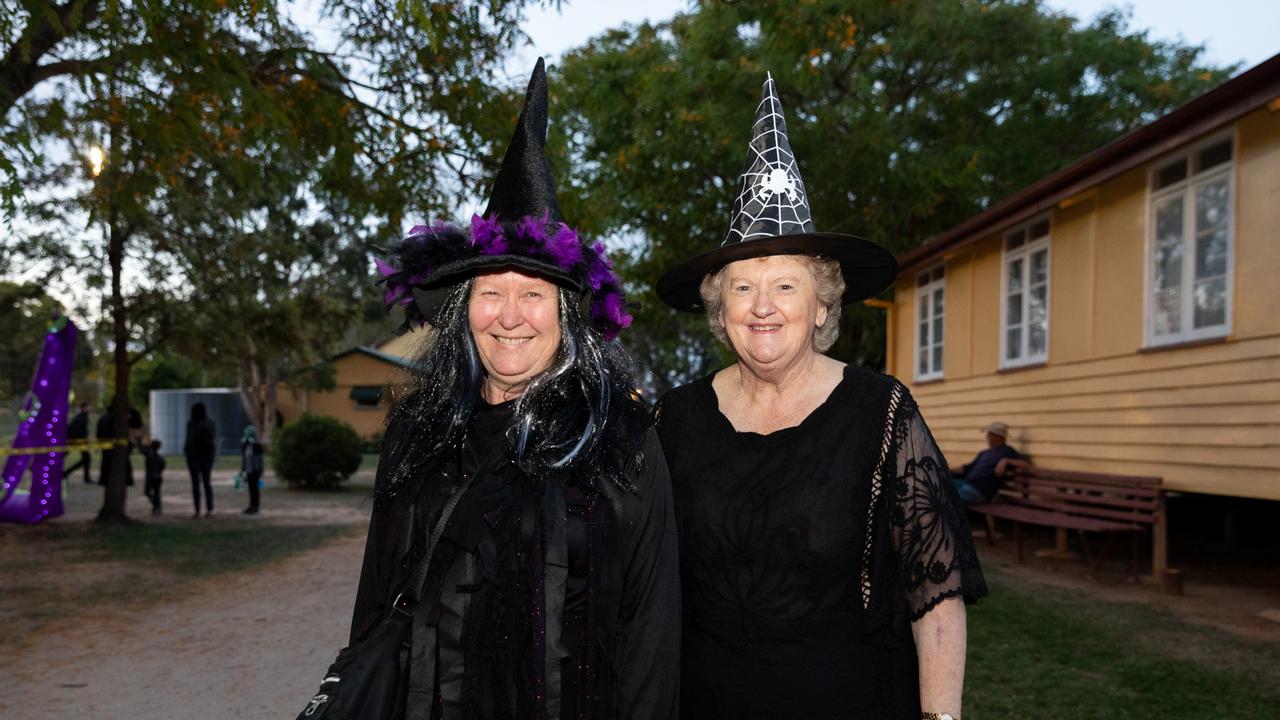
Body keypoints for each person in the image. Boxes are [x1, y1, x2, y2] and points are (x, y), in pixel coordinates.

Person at [349, 59, 679, 719]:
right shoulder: (419, 433)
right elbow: (375, 603)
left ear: (566, 315)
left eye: (532, 293)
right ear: (461, 310)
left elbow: (651, 631)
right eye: (489, 292)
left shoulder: (624, 446)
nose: (508, 315)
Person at [654, 74, 986, 719]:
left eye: (786, 286)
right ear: (720, 315)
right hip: (699, 702)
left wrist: (942, 717)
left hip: (852, 700)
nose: (762, 308)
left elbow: (935, 591)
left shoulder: (881, 410)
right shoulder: (673, 418)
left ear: (821, 306)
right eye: (742, 290)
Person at [950, 422, 1023, 504]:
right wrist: (946, 471)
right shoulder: (984, 453)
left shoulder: (1007, 451)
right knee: (939, 488)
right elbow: (966, 468)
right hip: (966, 483)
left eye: (990, 434)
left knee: (946, 499)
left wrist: (1006, 460)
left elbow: (1026, 465)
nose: (987, 436)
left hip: (979, 491)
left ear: (998, 437)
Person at [96, 399, 143, 488]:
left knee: (106, 464)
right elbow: (137, 423)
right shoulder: (118, 418)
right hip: (116, 447)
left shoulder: (104, 417)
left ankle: (105, 480)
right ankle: (125, 480)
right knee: (123, 464)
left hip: (106, 446)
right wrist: (132, 410)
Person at [183, 402, 217, 518]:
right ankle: (209, 509)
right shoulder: (209, 422)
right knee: (206, 483)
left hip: (195, 456)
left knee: (196, 484)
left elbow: (188, 439)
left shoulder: (191, 423)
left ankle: (198, 510)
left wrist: (186, 451)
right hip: (206, 456)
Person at [63, 401, 92, 483]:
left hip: (77, 441)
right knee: (86, 459)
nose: (89, 409)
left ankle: (66, 473)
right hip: (76, 441)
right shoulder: (80, 418)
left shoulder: (83, 417)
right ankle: (65, 473)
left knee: (86, 459)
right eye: (88, 407)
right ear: (83, 408)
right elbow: (77, 431)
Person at [240, 425, 264, 515]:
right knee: (250, 489)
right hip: (249, 471)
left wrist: (260, 471)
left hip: (255, 471)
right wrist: (242, 470)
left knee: (255, 489)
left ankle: (256, 507)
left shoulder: (257, 446)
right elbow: (244, 459)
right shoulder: (245, 445)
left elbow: (259, 460)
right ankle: (251, 506)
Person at [142, 439, 166, 515]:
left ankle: (156, 506)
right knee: (157, 493)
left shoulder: (149, 456)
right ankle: (157, 508)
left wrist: (139, 440)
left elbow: (141, 449)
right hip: (158, 477)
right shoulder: (161, 458)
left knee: (147, 492)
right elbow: (163, 467)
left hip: (150, 478)